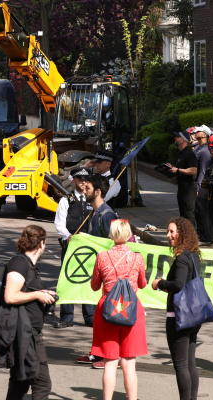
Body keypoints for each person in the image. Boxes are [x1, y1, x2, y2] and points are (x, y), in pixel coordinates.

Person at [90, 219, 147, 400]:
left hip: (108, 310)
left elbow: (94, 285)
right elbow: (143, 284)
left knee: (110, 362)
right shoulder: (137, 257)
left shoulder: (102, 256)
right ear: (129, 234)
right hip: (131, 310)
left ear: (111, 234)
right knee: (129, 363)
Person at [1, 224, 56, 399]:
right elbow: (10, 296)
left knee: (21, 380)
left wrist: (43, 293)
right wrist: (38, 295)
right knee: (42, 384)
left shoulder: (28, 265)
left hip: (28, 332)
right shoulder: (19, 263)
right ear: (41, 244)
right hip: (25, 334)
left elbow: (26, 291)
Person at [151, 217, 203, 400]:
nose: (168, 235)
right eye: (168, 231)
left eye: (172, 232)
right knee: (190, 364)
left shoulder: (182, 259)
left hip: (179, 316)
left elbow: (178, 285)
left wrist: (159, 283)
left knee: (181, 365)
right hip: (194, 316)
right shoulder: (194, 256)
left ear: (182, 233)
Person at [75, 174, 119, 369]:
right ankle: (98, 352)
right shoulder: (96, 213)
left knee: (106, 317)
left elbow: (114, 243)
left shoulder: (106, 215)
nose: (84, 191)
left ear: (98, 192)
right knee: (99, 318)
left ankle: (110, 356)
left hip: (109, 276)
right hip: (99, 274)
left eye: (88, 188)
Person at [53, 167, 94, 329]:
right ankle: (67, 316)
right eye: (80, 179)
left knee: (90, 280)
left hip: (90, 247)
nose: (83, 182)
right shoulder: (66, 200)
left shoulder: (93, 199)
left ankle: (90, 315)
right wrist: (68, 236)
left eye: (86, 179)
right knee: (68, 280)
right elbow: (59, 224)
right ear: (74, 180)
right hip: (71, 245)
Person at [167, 131, 199, 228]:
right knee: (183, 214)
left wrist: (178, 170)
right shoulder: (181, 153)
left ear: (184, 139)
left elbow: (194, 170)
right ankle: (186, 237)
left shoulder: (189, 153)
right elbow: (180, 170)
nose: (175, 138)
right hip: (182, 188)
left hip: (189, 189)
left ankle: (193, 237)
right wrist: (172, 168)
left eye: (178, 137)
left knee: (189, 214)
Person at [191, 128, 213, 244]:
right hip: (196, 184)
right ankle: (201, 235)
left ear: (205, 135)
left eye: (199, 132)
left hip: (202, 186)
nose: (196, 132)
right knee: (198, 211)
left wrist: (198, 187)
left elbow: (203, 171)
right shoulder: (198, 148)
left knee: (203, 212)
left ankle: (206, 237)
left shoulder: (205, 151)